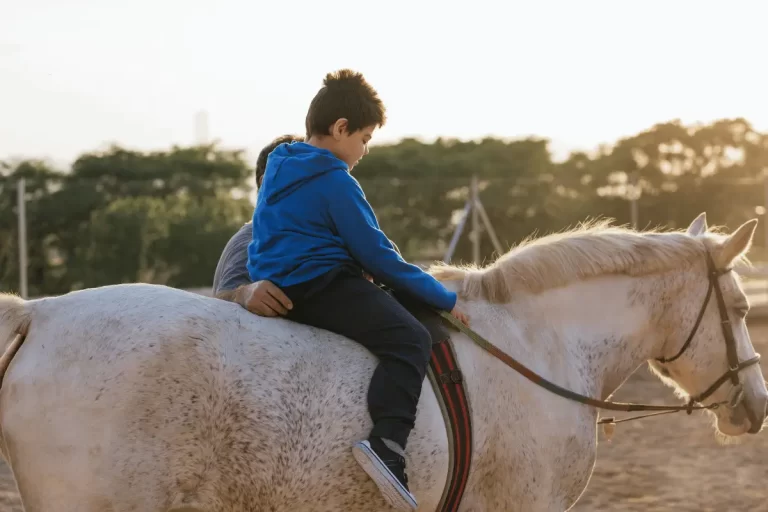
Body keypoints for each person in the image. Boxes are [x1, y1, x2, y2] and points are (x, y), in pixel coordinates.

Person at [247, 69, 469, 511]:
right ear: (341, 128)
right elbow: (379, 256)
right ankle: (388, 447)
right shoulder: (334, 179)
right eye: (364, 138)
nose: (364, 150)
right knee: (411, 338)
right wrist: (444, 298)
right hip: (324, 284)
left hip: (281, 284)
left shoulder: (279, 166)